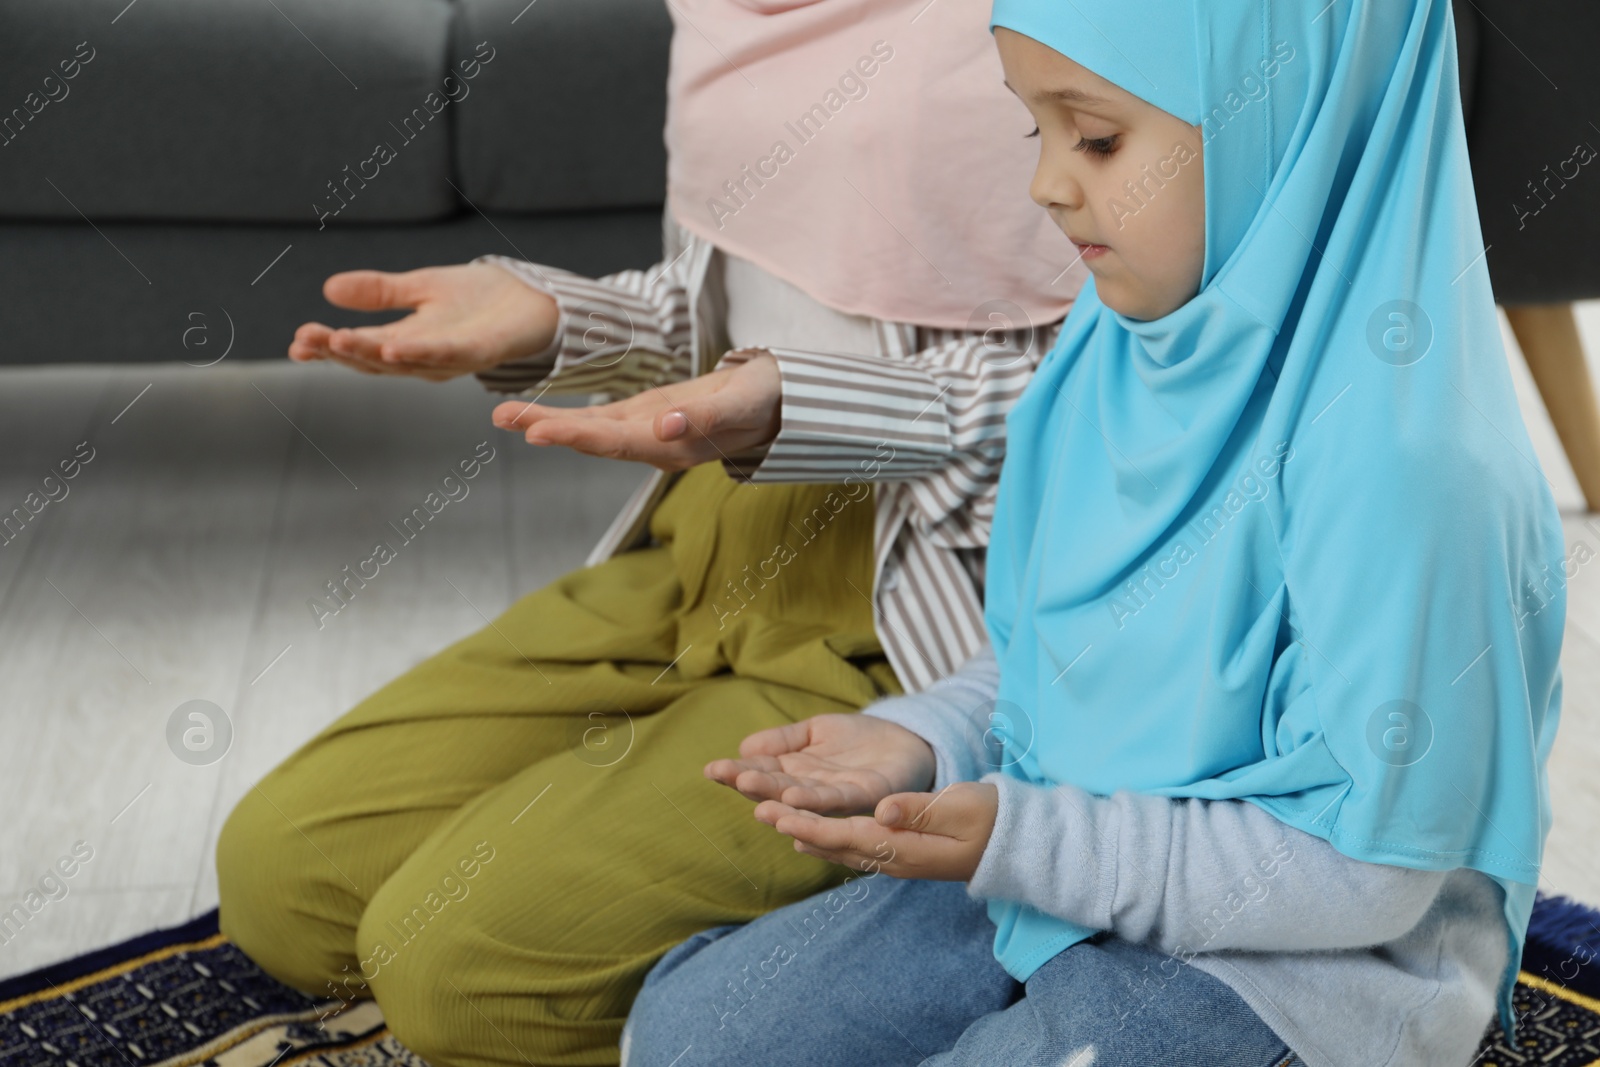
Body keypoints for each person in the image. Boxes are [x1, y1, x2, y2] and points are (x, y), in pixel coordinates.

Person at [620, 1, 1567, 1064]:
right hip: (1068, 863)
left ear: (1292, 119)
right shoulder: (1112, 352)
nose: (1048, 184)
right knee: (692, 1031)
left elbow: (1364, 874)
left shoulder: (1409, 470)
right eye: (1038, 130)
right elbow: (1074, 659)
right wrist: (929, 735)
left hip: (1308, 967)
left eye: (1099, 137)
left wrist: (1028, 840)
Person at [213, 1, 1083, 1064]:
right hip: (705, 534)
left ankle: (894, 965)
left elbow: (1138, 394)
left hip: (922, 603)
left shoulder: (1063, 36)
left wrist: (794, 408)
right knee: (288, 882)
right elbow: (724, 307)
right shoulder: (727, 14)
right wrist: (554, 318)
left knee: (460, 978)